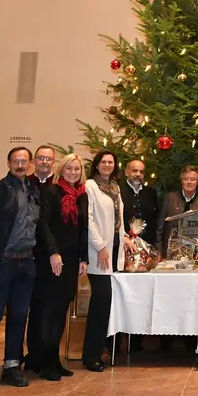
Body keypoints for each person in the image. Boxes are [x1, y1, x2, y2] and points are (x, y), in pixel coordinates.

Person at [0, 147, 41, 390]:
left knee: (19, 317)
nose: (20, 165)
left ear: (30, 164)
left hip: (27, 264)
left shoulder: (34, 190)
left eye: (24, 161)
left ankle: (12, 367)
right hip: (3, 263)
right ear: (9, 162)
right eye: (15, 161)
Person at [29, 154, 88, 381]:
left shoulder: (82, 196)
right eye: (69, 168)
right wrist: (53, 252)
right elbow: (42, 225)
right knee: (48, 309)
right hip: (52, 259)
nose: (73, 172)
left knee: (62, 308)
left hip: (72, 260)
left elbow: (83, 230)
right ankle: (44, 362)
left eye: (77, 169)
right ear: (62, 169)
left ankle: (54, 359)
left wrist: (83, 258)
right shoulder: (51, 192)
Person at [83, 150, 123, 371]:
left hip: (114, 250)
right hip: (99, 253)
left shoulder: (115, 188)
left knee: (107, 304)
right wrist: (100, 246)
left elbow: (118, 220)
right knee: (100, 304)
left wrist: (125, 240)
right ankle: (91, 356)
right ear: (96, 165)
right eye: (103, 162)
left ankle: (100, 351)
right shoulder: (90, 186)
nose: (107, 165)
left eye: (111, 162)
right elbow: (88, 219)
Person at [159, 165, 198, 252]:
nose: (189, 182)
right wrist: (159, 252)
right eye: (186, 179)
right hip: (171, 250)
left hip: (197, 252)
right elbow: (159, 228)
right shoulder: (169, 198)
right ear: (181, 181)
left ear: (197, 181)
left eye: (193, 179)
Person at [121, 158, 161, 247]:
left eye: (141, 172)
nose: (138, 174)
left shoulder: (151, 193)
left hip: (148, 245)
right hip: (125, 244)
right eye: (135, 171)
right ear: (126, 172)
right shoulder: (118, 191)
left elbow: (155, 219)